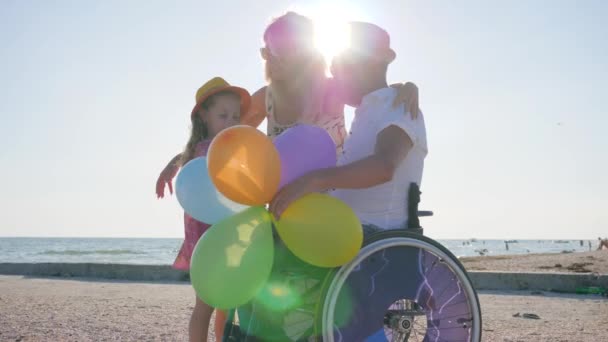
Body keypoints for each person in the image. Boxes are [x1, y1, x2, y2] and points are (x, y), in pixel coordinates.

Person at [270, 21, 427, 237]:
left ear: (372, 62)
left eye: (341, 67)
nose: (335, 77)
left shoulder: (398, 104)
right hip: (348, 234)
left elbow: (384, 167)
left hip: (376, 240)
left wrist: (314, 180)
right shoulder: (369, 110)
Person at [242, 12, 421, 152]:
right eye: (266, 51)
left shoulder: (332, 89)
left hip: (334, 197)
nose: (271, 58)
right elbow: (226, 134)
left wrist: (404, 88)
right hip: (284, 196)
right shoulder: (266, 98)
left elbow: (375, 96)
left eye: (279, 49)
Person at [157, 77, 251, 342]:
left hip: (221, 237)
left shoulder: (208, 148)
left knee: (222, 302)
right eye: (223, 115)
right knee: (209, 305)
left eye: (235, 116)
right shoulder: (209, 150)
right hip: (208, 241)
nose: (231, 121)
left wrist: (170, 166)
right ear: (204, 117)